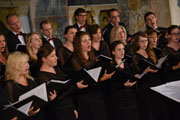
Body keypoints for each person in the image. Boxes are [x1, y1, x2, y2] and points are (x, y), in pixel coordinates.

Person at [36, 44, 87, 120]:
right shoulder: (41, 76)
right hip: (57, 113)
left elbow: (66, 88)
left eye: (55, 55)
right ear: (44, 59)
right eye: (52, 56)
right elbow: (57, 97)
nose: (56, 58)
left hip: (68, 108)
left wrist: (73, 108)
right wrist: (75, 86)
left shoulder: (57, 69)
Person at [70, 31, 114, 120]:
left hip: (98, 95)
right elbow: (83, 81)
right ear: (78, 44)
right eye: (84, 41)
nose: (88, 42)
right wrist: (102, 79)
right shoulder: (74, 59)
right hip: (86, 98)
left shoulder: (93, 57)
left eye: (89, 40)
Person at [132, 31, 168, 120]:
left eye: (146, 41)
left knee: (159, 110)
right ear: (137, 42)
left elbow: (156, 67)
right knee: (150, 113)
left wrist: (160, 63)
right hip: (145, 87)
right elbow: (137, 73)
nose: (145, 43)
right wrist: (146, 71)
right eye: (142, 41)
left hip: (156, 83)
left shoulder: (151, 52)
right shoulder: (135, 56)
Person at [103, 41, 138, 120]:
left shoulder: (127, 64)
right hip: (118, 100)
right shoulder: (110, 66)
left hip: (130, 97)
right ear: (113, 52)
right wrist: (123, 85)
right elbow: (109, 86)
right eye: (119, 50)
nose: (122, 51)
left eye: (123, 49)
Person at [4, 51, 43, 120]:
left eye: (27, 62)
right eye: (23, 63)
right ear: (14, 65)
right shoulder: (9, 84)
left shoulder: (30, 80)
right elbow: (11, 110)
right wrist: (26, 113)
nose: (27, 65)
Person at [162, 25, 180, 120]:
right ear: (168, 36)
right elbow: (164, 69)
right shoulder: (165, 50)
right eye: (174, 34)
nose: (177, 36)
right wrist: (176, 67)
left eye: (178, 33)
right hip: (172, 80)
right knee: (175, 109)